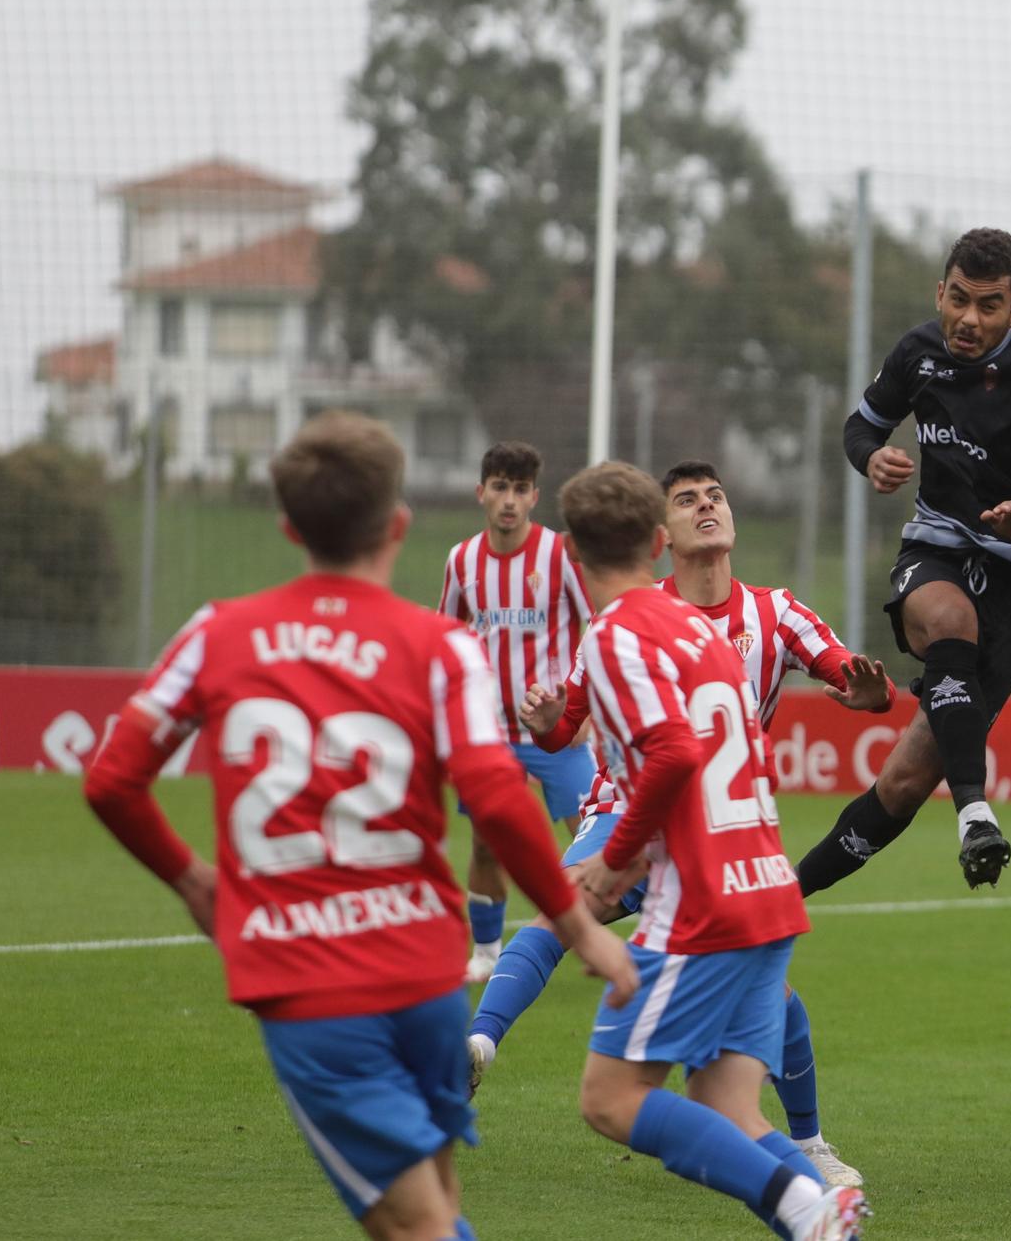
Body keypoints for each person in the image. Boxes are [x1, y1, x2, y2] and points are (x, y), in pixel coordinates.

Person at [81, 411, 636, 1240]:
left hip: (310, 979)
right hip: (425, 971)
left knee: (414, 1226)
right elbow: (494, 793)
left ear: (288, 527)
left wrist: (194, 878)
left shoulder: (216, 632)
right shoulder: (440, 645)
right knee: (436, 1205)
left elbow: (114, 780)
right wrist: (577, 929)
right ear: (397, 526)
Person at [467, 460, 891, 1189]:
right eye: (688, 499)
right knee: (564, 909)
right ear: (662, 535)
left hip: (712, 826)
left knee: (772, 999)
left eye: (716, 496)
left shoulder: (773, 613)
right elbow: (567, 725)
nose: (706, 507)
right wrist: (547, 727)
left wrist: (866, 693)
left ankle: (810, 1150)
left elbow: (851, 677)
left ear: (729, 522)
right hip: (628, 810)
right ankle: (478, 1043)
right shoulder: (630, 616)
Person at [797, 227, 1011, 893]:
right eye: (958, 299)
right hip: (938, 545)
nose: (968, 320)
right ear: (940, 292)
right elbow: (861, 424)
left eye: (988, 306)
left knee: (900, 783)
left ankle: (781, 898)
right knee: (949, 618)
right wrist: (871, 456)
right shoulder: (918, 353)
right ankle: (975, 812)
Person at [438, 441, 594, 983]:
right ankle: (485, 952)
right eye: (500, 487)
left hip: (556, 730)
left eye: (520, 489)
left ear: (534, 497)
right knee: (487, 840)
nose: (509, 500)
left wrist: (584, 712)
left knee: (596, 837)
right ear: (482, 492)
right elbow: (448, 637)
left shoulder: (558, 555)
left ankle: (602, 940)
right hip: (489, 734)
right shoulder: (461, 561)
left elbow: (597, 627)